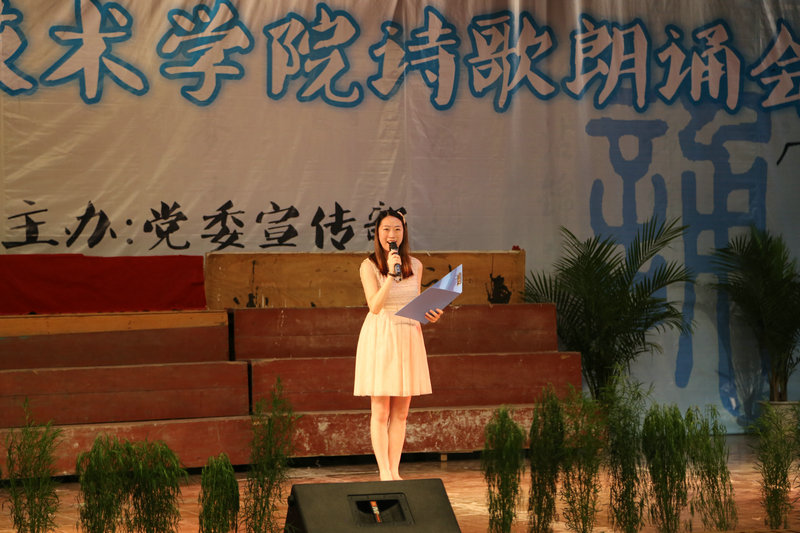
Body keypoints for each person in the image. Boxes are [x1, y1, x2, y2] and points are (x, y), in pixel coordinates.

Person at [353, 209, 443, 481]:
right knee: (381, 410)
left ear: (404, 233)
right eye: (386, 229)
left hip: (408, 333)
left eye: (397, 229)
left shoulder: (415, 265)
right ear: (377, 233)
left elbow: (414, 302)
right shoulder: (368, 266)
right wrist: (391, 276)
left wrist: (430, 313)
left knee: (401, 413)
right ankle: (384, 472)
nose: (392, 234)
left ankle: (395, 470)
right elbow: (375, 306)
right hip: (382, 334)